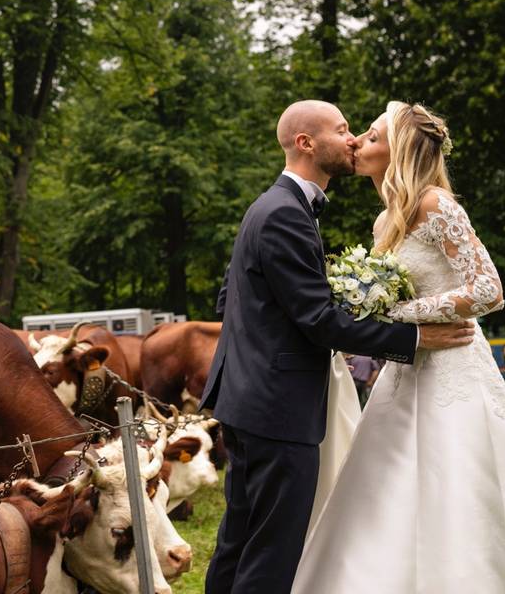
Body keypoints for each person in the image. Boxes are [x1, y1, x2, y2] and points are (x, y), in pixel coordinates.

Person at [197, 100, 474, 594]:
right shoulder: (285, 213)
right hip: (277, 408)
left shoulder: (273, 206)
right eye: (343, 129)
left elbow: (232, 298)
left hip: (249, 400)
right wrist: (412, 336)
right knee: (272, 551)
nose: (352, 140)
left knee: (238, 541)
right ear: (306, 143)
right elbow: (319, 321)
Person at [292, 101, 505, 593]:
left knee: (459, 479)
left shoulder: (436, 204)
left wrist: (403, 315)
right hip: (405, 371)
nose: (358, 141)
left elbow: (489, 290)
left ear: (399, 150)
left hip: (453, 366)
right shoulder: (386, 221)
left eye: (373, 135)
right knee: (385, 482)